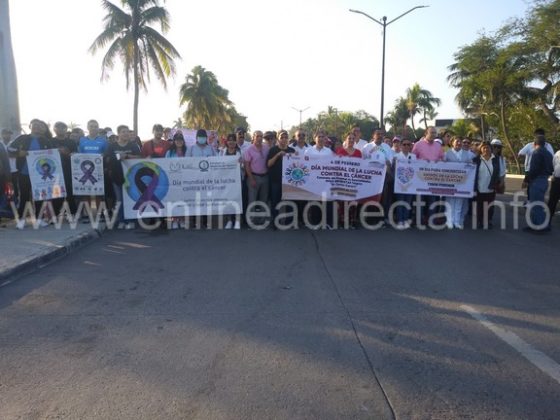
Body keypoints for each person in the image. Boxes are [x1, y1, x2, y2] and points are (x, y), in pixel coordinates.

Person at [8, 119, 55, 229]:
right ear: (30, 126)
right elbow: (10, 148)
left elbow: (52, 154)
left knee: (40, 196)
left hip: (40, 174)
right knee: (24, 196)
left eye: (39, 125)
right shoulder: (22, 138)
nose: (36, 127)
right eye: (34, 125)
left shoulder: (45, 141)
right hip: (24, 173)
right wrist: (18, 153)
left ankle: (39, 219)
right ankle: (21, 219)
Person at [107, 125, 141, 229]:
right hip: (116, 176)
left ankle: (131, 220)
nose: (126, 133)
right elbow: (108, 159)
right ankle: (121, 220)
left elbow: (139, 157)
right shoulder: (112, 146)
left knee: (131, 198)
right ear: (118, 134)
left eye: (127, 131)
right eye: (123, 132)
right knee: (119, 200)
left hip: (131, 177)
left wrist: (126, 156)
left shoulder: (133, 145)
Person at [411, 126, 444, 226]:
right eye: (431, 132)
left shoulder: (438, 146)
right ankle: (419, 220)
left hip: (433, 177)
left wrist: (439, 161)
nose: (433, 135)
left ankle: (431, 220)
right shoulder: (418, 144)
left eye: (435, 133)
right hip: (420, 177)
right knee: (420, 200)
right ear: (426, 133)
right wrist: (421, 162)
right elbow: (412, 159)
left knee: (432, 200)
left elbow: (442, 158)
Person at [78, 120, 109, 221]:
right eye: (91, 126)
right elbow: (79, 154)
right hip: (85, 170)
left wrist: (103, 156)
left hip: (99, 170)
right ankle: (87, 214)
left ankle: (101, 213)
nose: (93, 128)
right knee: (86, 192)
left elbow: (107, 154)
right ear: (87, 128)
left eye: (95, 126)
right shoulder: (82, 140)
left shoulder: (103, 140)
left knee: (99, 192)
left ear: (98, 128)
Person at [524, 134, 553, 232]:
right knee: (540, 204)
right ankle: (543, 224)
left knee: (535, 204)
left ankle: (538, 226)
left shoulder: (536, 153)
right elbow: (551, 168)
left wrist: (528, 180)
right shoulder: (548, 154)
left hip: (537, 180)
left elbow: (533, 170)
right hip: (545, 180)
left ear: (535, 143)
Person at [444, 136, 474, 229]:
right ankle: (449, 221)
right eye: (457, 141)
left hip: (463, 183)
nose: (459, 143)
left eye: (460, 142)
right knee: (450, 202)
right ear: (452, 143)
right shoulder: (447, 153)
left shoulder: (468, 154)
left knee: (459, 202)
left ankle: (457, 221)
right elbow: (442, 166)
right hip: (450, 182)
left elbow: (472, 166)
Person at [267, 129, 295, 228]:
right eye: (281, 137)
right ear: (278, 139)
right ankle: (275, 221)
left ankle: (289, 221)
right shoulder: (273, 150)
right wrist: (278, 155)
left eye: (286, 137)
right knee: (275, 202)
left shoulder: (292, 151)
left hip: (289, 182)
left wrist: (296, 157)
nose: (284, 139)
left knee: (290, 202)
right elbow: (269, 164)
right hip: (276, 180)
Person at [518, 129, 555, 201]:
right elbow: (520, 154)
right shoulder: (531, 145)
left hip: (534, 173)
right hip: (542, 174)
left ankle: (531, 203)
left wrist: (526, 180)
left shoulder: (539, 150)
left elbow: (534, 168)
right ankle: (532, 202)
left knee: (533, 190)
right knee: (536, 192)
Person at [336, 132, 362, 228]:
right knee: (343, 201)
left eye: (352, 138)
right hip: (343, 180)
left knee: (353, 200)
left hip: (354, 180)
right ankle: (343, 220)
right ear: (345, 140)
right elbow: (336, 165)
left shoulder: (358, 152)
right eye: (349, 138)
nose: (351, 140)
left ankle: (352, 219)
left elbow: (362, 166)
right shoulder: (340, 151)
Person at [51, 122, 77, 216]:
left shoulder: (71, 142)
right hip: (54, 171)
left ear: (66, 130)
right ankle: (55, 213)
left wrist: (68, 153)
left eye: (63, 128)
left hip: (69, 170)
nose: (60, 129)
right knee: (56, 192)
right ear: (54, 129)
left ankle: (73, 213)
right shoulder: (50, 141)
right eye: (58, 127)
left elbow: (76, 155)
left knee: (70, 192)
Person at [244, 130, 270, 226]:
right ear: (253, 137)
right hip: (254, 177)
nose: (259, 138)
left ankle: (262, 220)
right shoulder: (249, 149)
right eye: (257, 136)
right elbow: (246, 165)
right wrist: (251, 179)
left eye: (261, 136)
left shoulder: (266, 148)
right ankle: (251, 220)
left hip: (265, 177)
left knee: (264, 199)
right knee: (252, 200)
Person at [473, 142, 500, 229]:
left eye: (488, 147)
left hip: (491, 187)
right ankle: (480, 221)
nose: (486, 149)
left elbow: (500, 172)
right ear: (480, 149)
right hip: (479, 187)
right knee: (479, 206)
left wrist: (498, 183)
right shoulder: (476, 160)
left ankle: (488, 220)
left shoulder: (496, 159)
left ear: (491, 149)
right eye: (484, 147)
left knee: (490, 206)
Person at [164, 131, 187, 229]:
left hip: (184, 179)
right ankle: (174, 220)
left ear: (183, 141)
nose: (179, 141)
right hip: (173, 180)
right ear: (174, 141)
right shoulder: (169, 152)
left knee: (183, 200)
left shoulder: (187, 151)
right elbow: (165, 165)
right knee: (173, 200)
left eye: (181, 140)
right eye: (177, 140)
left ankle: (182, 219)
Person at [220, 133, 243, 229]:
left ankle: (237, 221)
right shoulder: (222, 152)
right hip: (226, 180)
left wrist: (241, 163)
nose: (231, 142)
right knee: (228, 200)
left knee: (237, 199)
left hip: (237, 180)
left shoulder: (239, 152)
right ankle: (229, 221)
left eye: (233, 140)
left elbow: (243, 166)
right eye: (229, 140)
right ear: (227, 142)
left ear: (236, 142)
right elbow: (219, 164)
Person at [393, 139, 416, 229]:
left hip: (410, 183)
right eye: (404, 144)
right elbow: (393, 169)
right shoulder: (396, 156)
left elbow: (416, 169)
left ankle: (406, 220)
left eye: (408, 144)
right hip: (399, 183)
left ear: (410, 146)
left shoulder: (413, 157)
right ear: (401, 146)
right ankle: (400, 220)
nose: (406, 146)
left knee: (408, 202)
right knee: (400, 202)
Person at [547, 148, 560, 227]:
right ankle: (547, 221)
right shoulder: (557, 153)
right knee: (552, 201)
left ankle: (547, 222)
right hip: (556, 179)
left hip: (556, 179)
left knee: (552, 201)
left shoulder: (557, 153)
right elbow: (552, 165)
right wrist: (552, 175)